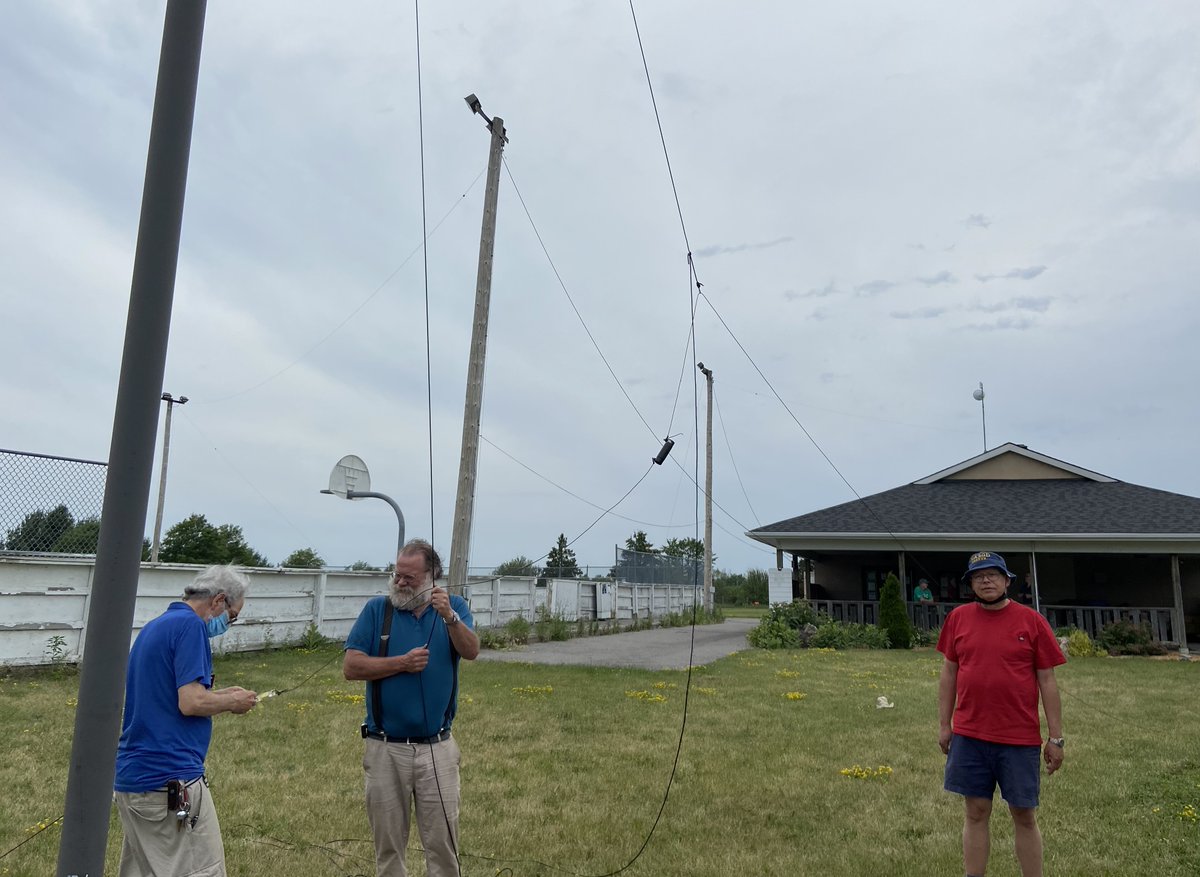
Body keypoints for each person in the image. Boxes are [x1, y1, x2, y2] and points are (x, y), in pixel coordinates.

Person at [344, 539, 480, 877]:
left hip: (438, 747)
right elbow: (352, 667)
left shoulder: (455, 607)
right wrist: (401, 663)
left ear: (433, 578)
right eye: (397, 575)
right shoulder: (378, 610)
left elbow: (472, 650)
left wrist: (449, 617)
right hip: (385, 747)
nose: (400, 583)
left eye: (410, 578)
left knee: (444, 845)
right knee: (388, 847)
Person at [114, 565, 258, 877]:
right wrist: (232, 702)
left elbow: (167, 696)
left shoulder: (158, 625)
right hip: (170, 779)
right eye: (232, 617)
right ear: (218, 601)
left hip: (136, 781)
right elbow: (191, 702)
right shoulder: (191, 627)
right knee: (200, 870)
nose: (227, 625)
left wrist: (219, 694)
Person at [937, 551, 1065, 877]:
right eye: (978, 576)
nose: (986, 580)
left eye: (993, 574)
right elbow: (949, 672)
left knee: (1023, 813)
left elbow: (1047, 680)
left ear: (1007, 580)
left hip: (1018, 737)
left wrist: (1056, 738)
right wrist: (944, 725)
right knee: (976, 811)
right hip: (969, 734)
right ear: (971, 585)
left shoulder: (1031, 621)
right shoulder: (958, 619)